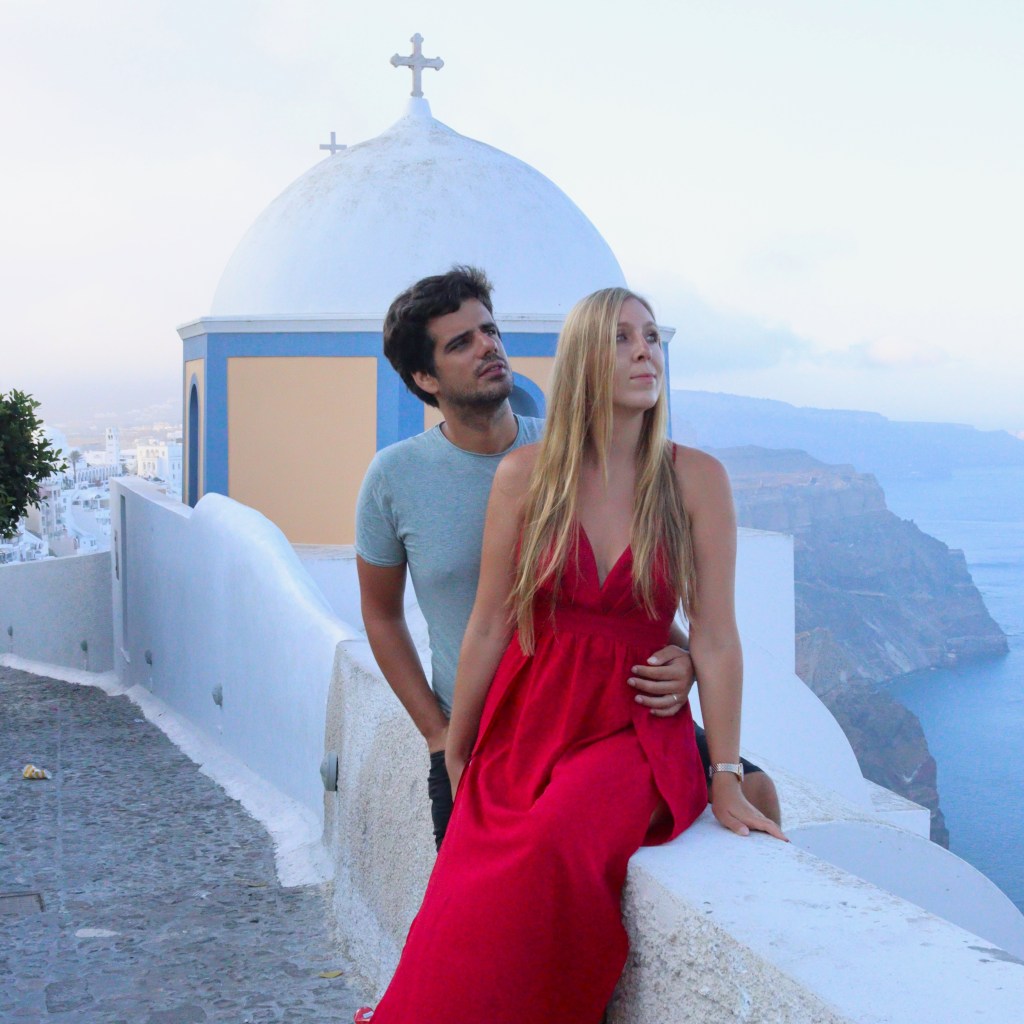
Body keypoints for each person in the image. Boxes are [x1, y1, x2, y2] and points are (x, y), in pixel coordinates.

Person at [359, 286, 787, 1023]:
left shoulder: (696, 479)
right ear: (585, 357)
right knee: (467, 905)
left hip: (632, 722)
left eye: (650, 336)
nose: (645, 351)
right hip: (529, 714)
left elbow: (715, 635)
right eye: (621, 338)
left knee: (557, 839)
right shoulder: (527, 475)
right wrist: (455, 746)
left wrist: (724, 772)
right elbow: (489, 623)